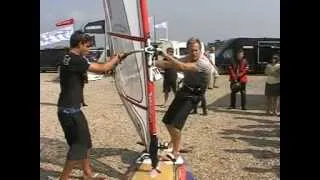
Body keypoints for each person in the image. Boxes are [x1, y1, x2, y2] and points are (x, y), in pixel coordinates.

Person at [57, 30, 129, 180]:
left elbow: (101, 69)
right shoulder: (76, 60)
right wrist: (116, 58)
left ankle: (87, 174)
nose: (90, 49)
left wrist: (112, 63)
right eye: (88, 46)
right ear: (80, 44)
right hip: (71, 112)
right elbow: (103, 68)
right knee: (79, 146)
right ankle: (63, 178)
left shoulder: (67, 57)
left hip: (68, 109)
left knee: (86, 143)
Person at [155, 37, 212, 161]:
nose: (194, 53)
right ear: (187, 50)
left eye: (196, 50)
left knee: (175, 125)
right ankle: (174, 143)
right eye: (191, 50)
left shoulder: (203, 62)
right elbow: (169, 65)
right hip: (184, 90)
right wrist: (151, 62)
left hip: (194, 95)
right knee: (167, 121)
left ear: (200, 50)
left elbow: (182, 67)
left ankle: (175, 152)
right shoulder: (187, 58)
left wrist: (164, 53)